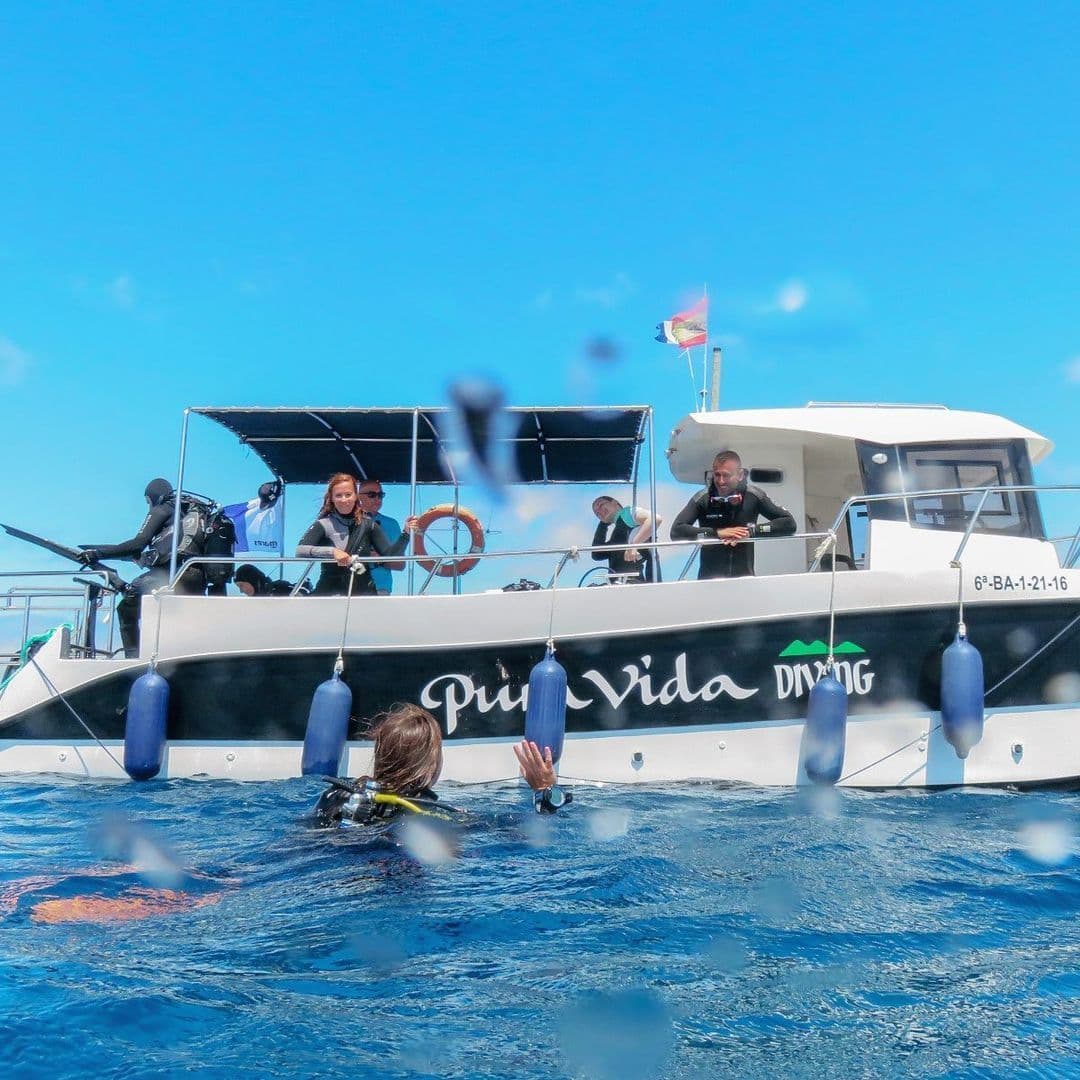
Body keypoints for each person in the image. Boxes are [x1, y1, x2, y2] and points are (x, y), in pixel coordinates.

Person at [314, 703, 567, 827]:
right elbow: (531, 834)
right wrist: (544, 791)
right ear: (431, 765)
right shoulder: (436, 814)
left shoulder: (337, 796)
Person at [78, 478, 206, 658]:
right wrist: (99, 550)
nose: (149, 507)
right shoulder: (184, 515)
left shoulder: (162, 509)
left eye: (148, 501)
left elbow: (137, 545)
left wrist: (97, 554)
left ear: (155, 497)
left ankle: (133, 660)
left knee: (126, 609)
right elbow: (139, 553)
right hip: (195, 577)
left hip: (170, 575)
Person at [670, 450, 797, 579]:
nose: (720, 481)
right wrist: (717, 533)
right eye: (717, 475)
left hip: (744, 581)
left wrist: (751, 531)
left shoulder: (753, 496)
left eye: (726, 475)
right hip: (709, 583)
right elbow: (676, 531)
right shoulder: (703, 498)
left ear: (740, 475)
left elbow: (788, 523)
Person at [296, 473, 419, 596]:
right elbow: (300, 551)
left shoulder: (369, 524)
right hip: (329, 593)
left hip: (364, 594)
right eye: (338, 495)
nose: (344, 499)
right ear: (332, 498)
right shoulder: (323, 524)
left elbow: (389, 555)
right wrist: (333, 552)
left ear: (355, 496)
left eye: (348, 494)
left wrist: (406, 534)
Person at [590, 496, 662, 583]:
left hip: (632, 582)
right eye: (597, 513)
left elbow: (655, 519)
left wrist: (634, 544)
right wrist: (603, 524)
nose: (599, 511)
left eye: (601, 505)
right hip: (619, 583)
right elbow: (597, 554)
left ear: (615, 503)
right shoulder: (618, 531)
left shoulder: (627, 513)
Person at [357, 480, 404, 595]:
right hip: (348, 585)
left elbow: (400, 564)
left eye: (380, 495)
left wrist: (379, 559)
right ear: (358, 497)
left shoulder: (391, 524)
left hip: (380, 587)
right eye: (372, 495)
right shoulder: (347, 521)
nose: (377, 499)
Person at [234, 563, 309, 597]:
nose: (241, 591)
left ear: (252, 580)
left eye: (241, 585)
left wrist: (300, 594)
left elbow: (305, 587)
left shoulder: (277, 588)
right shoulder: (247, 604)